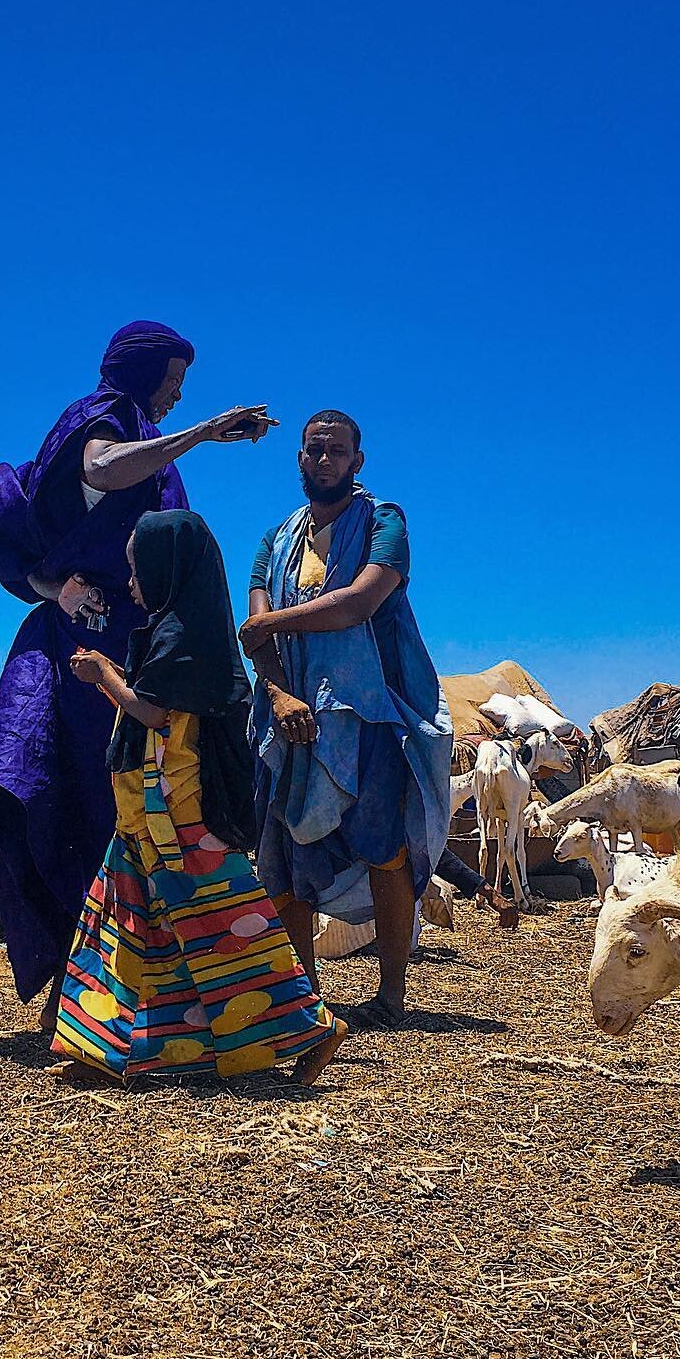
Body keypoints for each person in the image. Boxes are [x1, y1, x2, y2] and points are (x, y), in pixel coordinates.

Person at [0, 321, 276, 1023]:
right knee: (65, 798)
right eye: (172, 386)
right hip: (80, 652)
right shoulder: (103, 424)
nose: (176, 400)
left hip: (132, 645)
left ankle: (135, 996)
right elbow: (100, 468)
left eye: (184, 393)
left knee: (128, 816)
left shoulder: (139, 442)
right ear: (142, 375)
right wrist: (53, 587)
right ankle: (95, 991)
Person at [53, 509, 345, 1084]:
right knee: (141, 926)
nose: (131, 583)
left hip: (179, 818)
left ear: (169, 568)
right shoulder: (177, 630)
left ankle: (308, 1024)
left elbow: (154, 712)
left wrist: (104, 676)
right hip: (147, 815)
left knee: (227, 926)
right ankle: (130, 1043)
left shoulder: (184, 637)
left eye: (139, 571)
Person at [240, 410, 454, 1028]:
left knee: (383, 847)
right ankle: (301, 999)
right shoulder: (273, 543)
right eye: (314, 450)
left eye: (337, 450)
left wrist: (274, 623)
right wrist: (279, 696)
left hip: (368, 714)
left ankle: (390, 994)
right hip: (290, 720)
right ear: (300, 460)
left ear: (358, 460)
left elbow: (361, 600)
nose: (324, 459)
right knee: (282, 856)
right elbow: (256, 641)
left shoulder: (385, 521)